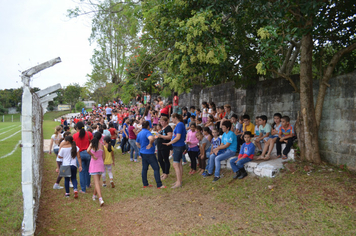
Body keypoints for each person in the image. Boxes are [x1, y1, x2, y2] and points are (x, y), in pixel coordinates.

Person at [136, 121, 166, 189]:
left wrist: (142, 148)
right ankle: (159, 185)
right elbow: (151, 138)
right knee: (156, 168)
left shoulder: (139, 133)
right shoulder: (147, 132)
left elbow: (137, 143)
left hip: (143, 153)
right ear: (148, 126)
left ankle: (145, 184)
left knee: (144, 168)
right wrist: (150, 144)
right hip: (149, 153)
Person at [164, 114, 186, 188]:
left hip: (178, 146)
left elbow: (178, 137)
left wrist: (169, 143)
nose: (171, 120)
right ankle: (179, 180)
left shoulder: (179, 124)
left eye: (172, 118)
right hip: (178, 146)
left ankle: (179, 182)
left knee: (175, 164)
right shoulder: (180, 124)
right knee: (179, 163)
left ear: (175, 118)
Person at [72, 121, 93, 194]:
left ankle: (83, 189)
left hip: (79, 155)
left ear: (77, 128)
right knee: (88, 170)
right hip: (88, 153)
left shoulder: (74, 136)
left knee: (81, 171)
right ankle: (88, 184)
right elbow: (92, 143)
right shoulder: (89, 133)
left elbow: (73, 146)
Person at [87, 132, 105, 207]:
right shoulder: (102, 145)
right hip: (100, 164)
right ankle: (94, 195)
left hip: (94, 164)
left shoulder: (92, 144)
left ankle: (100, 198)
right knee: (97, 182)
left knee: (97, 183)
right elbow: (103, 157)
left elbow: (88, 150)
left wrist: (93, 156)